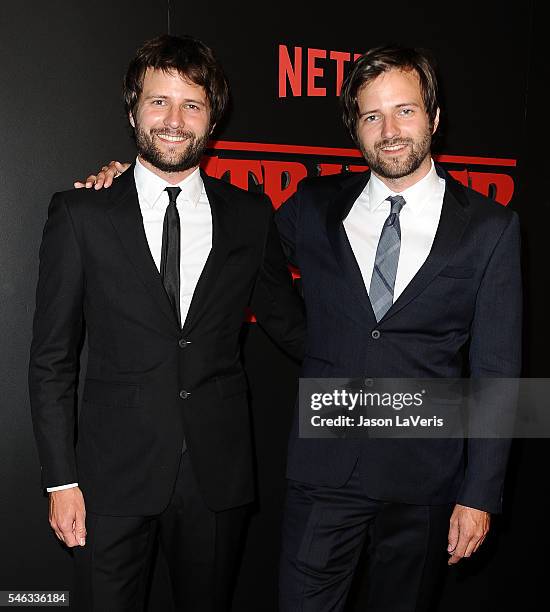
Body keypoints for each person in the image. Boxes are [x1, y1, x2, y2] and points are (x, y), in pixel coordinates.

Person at [82, 45, 522, 611]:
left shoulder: (491, 228)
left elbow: (498, 371)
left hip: (425, 479)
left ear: (434, 118)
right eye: (371, 116)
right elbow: (224, 241)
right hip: (323, 471)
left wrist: (481, 493)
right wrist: (129, 190)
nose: (389, 130)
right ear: (355, 130)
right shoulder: (312, 206)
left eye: (404, 111)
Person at [29, 34, 304, 612]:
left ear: (212, 119)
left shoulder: (251, 217)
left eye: (192, 105)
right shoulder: (82, 213)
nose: (174, 120)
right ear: (133, 109)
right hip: (108, 479)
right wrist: (61, 480)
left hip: (217, 477)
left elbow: (293, 327)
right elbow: (52, 359)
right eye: (159, 102)